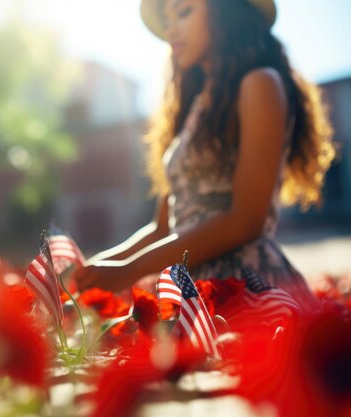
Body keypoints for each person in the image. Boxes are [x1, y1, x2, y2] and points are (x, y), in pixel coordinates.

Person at [74, 0, 335, 309]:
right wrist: (91, 270)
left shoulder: (259, 83)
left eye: (183, 11)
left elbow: (246, 220)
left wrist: (130, 271)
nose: (170, 29)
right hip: (188, 285)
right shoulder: (196, 108)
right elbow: (163, 227)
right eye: (166, 18)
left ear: (228, 13)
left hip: (243, 286)